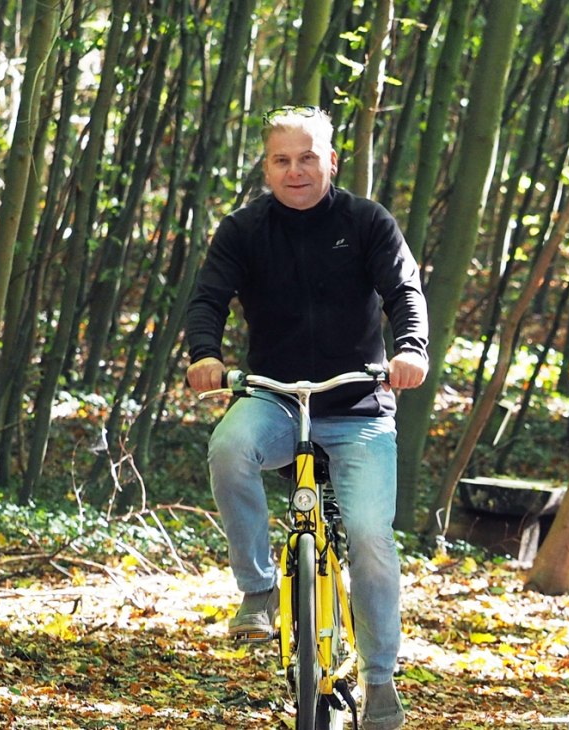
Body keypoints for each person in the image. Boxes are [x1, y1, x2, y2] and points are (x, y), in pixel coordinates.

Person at [185, 105, 428, 730]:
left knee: (372, 538)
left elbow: (403, 290)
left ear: (331, 161)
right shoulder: (242, 229)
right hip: (274, 397)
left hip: (357, 405)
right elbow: (209, 296)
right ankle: (259, 588)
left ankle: (378, 682)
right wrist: (205, 355)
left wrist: (410, 350)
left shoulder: (366, 221)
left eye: (308, 157)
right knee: (228, 448)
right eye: (282, 160)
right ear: (267, 166)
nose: (295, 171)